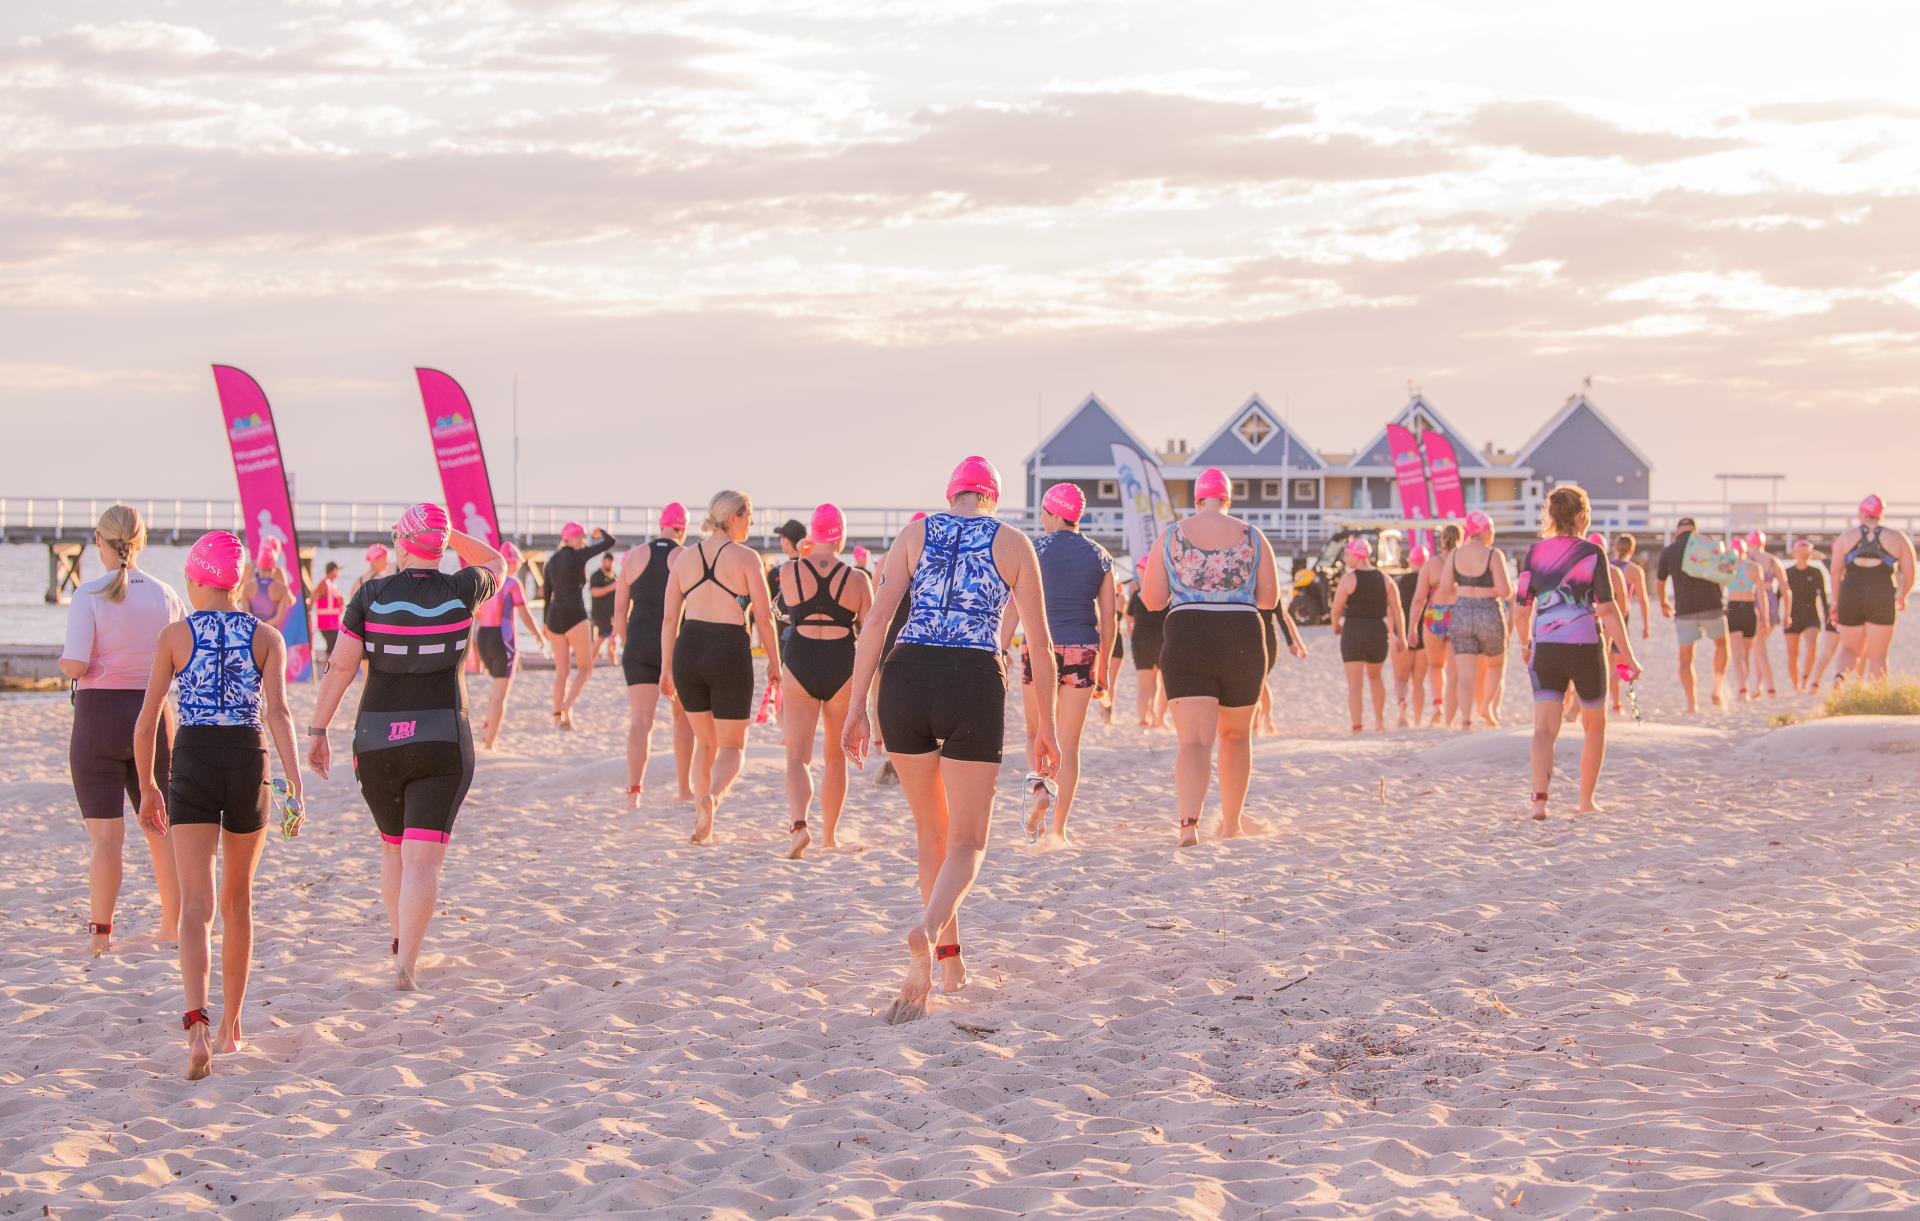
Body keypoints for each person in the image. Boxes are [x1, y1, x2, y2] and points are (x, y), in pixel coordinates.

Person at [841, 456, 1057, 1022]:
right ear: (993, 498)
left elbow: (877, 623)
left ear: (952, 493)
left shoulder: (915, 533)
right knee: (968, 842)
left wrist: (857, 707)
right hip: (973, 677)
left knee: (930, 832)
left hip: (906, 676)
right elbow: (1040, 646)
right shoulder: (1012, 543)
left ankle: (950, 959)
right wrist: (1048, 730)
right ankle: (931, 931)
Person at [305, 504, 503, 990]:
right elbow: (499, 562)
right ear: (437, 545)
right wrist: (453, 535)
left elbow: (342, 668)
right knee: (423, 860)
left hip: (377, 741)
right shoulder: (462, 589)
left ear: (402, 543)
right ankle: (406, 967)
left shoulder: (370, 595)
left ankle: (397, 940)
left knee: (393, 850)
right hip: (442, 737)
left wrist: (317, 730)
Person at [132, 530, 302, 1080]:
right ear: (239, 581)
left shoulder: (174, 637)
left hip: (195, 760)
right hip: (248, 758)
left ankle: (197, 1024)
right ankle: (232, 1025)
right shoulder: (267, 636)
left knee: (195, 906)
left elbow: (147, 719)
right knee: (238, 902)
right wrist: (293, 787)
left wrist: (148, 785)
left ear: (194, 578)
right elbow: (279, 714)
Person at [1139, 467, 1292, 848]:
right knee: (1236, 736)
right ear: (1228, 499)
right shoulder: (1253, 536)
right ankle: (1231, 824)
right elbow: (1269, 600)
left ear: (1197, 498)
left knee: (1193, 742)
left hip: (1187, 633)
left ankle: (1189, 825)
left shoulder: (1171, 535)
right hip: (1240, 634)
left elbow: (1153, 600)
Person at [60, 504, 184, 956]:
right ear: (141, 540)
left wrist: (70, 664)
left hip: (99, 717)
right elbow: (179, 658)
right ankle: (172, 925)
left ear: (98, 542)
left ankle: (101, 935)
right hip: (153, 718)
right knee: (161, 827)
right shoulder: (166, 593)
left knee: (107, 839)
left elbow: (75, 663)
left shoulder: (88, 594)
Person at [660, 491, 782, 845]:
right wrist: (776, 664)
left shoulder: (683, 559)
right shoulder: (746, 558)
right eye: (749, 517)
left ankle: (703, 818)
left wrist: (665, 669)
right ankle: (712, 796)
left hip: (689, 648)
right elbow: (763, 616)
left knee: (704, 744)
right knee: (732, 749)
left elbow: (670, 619)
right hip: (728, 648)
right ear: (733, 518)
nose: (751, 524)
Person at [1515, 487, 1640, 820]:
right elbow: (1609, 610)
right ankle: (1586, 801)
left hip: (1546, 648)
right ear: (1582, 517)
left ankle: (1539, 802)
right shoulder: (1592, 552)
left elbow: (1520, 608)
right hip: (1585, 646)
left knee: (1543, 729)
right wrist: (1628, 654)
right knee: (1594, 726)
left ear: (1551, 516)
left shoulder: (1534, 553)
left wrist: (1525, 644)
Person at [1000, 482, 1114, 845]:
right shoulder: (1100, 556)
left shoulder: (1034, 550)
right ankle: (1060, 830)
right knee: (1068, 741)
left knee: (1036, 734)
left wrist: (1000, 650)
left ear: (1052, 514)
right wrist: (1106, 670)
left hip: (1041, 648)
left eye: (1044, 515)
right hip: (1084, 648)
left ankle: (1040, 793)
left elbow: (1015, 607)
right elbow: (1109, 620)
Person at [777, 503, 873, 857]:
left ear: (811, 535)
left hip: (800, 660)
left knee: (797, 757)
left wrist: (804, 553)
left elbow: (782, 606)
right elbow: (870, 632)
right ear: (842, 536)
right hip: (840, 664)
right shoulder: (858, 579)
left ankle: (800, 825)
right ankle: (830, 837)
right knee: (835, 757)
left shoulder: (789, 572)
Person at [616, 503, 695, 808]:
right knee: (683, 719)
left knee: (640, 721)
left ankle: (634, 792)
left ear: (661, 525)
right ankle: (684, 789)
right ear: (683, 528)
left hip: (638, 642)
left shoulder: (634, 556)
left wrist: (626, 644)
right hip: (673, 643)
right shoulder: (685, 556)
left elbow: (620, 610)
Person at [1435, 511, 1512, 731]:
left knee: (1465, 674)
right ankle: (1486, 707)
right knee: (1496, 664)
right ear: (1485, 531)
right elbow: (1506, 591)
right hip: (1488, 610)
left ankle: (1465, 720)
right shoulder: (1493, 554)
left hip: (1461, 610)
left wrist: (1465, 589)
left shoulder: (1456, 554)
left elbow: (1445, 588)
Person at [1828, 495, 1914, 684]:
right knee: (1878, 655)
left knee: (1850, 648)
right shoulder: (1897, 538)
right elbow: (1910, 573)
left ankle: (1840, 677)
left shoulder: (1847, 537)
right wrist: (1903, 596)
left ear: (1861, 513)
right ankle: (1876, 696)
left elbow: (1835, 573)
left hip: (1850, 594)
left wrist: (1835, 601)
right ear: (1880, 514)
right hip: (1881, 595)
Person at [542, 522, 618, 729]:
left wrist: (544, 624)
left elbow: (547, 596)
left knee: (561, 672)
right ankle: (567, 705)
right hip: (575, 615)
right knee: (585, 668)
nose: (584, 541)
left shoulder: (551, 561)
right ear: (572, 538)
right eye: (582, 537)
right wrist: (599, 532)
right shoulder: (579, 555)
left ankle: (558, 716)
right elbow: (609, 542)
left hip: (554, 618)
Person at [475, 542, 546, 751]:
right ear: (513, 563)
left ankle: (488, 728)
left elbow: (476, 612)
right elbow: (524, 614)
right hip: (502, 639)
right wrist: (538, 634)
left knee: (495, 689)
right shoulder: (512, 583)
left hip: (483, 637)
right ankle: (489, 743)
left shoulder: (487, 581)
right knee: (500, 694)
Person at [1655, 516, 1729, 713]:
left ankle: (1692, 704)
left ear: (1677, 531)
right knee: (1722, 644)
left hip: (1685, 610)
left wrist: (1664, 603)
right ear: (1695, 530)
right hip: (1713, 606)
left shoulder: (1669, 551)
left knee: (1686, 658)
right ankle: (1717, 687)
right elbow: (1724, 573)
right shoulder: (1708, 545)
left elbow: (1660, 582)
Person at [1331, 537, 1404, 733]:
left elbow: (1336, 609)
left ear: (1357, 556)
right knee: (1376, 677)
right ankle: (1379, 723)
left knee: (1355, 684)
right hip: (1377, 632)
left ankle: (1357, 726)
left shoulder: (1349, 579)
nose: (1345, 559)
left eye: (1347, 555)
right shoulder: (1385, 579)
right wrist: (1402, 636)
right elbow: (1397, 609)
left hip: (1354, 631)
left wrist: (1335, 624)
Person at [1409, 525, 1459, 724]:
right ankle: (1450, 712)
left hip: (1434, 615)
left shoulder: (1431, 565)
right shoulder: (1462, 561)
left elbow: (1419, 598)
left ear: (1441, 541)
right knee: (1453, 670)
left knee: (1436, 665)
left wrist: (1412, 626)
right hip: (1457, 613)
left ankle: (1438, 705)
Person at [1604, 535, 1652, 713]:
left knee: (1609, 659)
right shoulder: (1634, 571)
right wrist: (1646, 626)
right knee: (1621, 662)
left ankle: (1616, 702)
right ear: (1632, 550)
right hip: (1622, 617)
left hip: (1604, 616)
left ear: (1615, 547)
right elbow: (1643, 600)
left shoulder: (1608, 568)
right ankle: (1621, 689)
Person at [1723, 536, 1771, 701]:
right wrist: (1765, 618)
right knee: (1746, 654)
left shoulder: (1727, 566)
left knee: (1737, 654)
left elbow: (1718, 589)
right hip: (1750, 609)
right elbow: (1761, 594)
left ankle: (1742, 689)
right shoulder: (1755, 568)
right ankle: (1744, 687)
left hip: (1734, 608)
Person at [1783, 538, 1831, 691]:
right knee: (1792, 653)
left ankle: (1805, 679)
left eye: (1806, 552)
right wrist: (1779, 616)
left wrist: (1827, 616)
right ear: (1794, 553)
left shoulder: (1816, 572)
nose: (1803, 555)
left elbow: (1823, 596)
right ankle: (1796, 685)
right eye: (1800, 551)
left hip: (1812, 616)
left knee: (1812, 647)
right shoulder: (1788, 572)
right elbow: (1780, 595)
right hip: (1792, 616)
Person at [1746, 532, 1789, 697]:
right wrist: (1788, 612)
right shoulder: (1773, 561)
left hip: (1754, 602)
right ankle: (1758, 686)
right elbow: (1786, 589)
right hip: (1772, 603)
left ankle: (1770, 687)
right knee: (1759, 647)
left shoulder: (1747, 561)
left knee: (1759, 648)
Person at [1391, 544, 1429, 727]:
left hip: (1403, 633)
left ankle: (1402, 708)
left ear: (1410, 562)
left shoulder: (1399, 581)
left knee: (1400, 679)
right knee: (1419, 682)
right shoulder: (1429, 583)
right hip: (1425, 635)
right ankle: (1419, 720)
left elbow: (1391, 610)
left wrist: (1394, 633)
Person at [1125, 578, 1167, 729]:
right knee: (1163, 685)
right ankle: (1159, 719)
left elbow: (1129, 618)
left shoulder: (1137, 595)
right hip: (1162, 641)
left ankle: (1143, 719)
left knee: (1144, 686)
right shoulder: (1167, 595)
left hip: (1141, 642)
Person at [241, 538, 294, 630]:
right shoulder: (278, 573)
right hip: (271, 628)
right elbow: (289, 601)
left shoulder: (247, 569)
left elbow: (237, 598)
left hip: (251, 628)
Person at [589, 551, 619, 664]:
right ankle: (589, 663)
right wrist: (611, 587)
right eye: (607, 562)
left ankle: (613, 662)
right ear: (603, 562)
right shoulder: (596, 576)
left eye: (611, 563)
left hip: (612, 614)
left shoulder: (614, 576)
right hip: (600, 613)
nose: (609, 565)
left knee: (612, 638)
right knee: (601, 638)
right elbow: (594, 592)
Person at [312, 562, 345, 663]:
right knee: (332, 646)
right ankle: (326, 667)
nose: (338, 573)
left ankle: (327, 666)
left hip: (333, 623)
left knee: (333, 646)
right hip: (327, 624)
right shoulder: (324, 584)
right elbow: (313, 597)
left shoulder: (332, 584)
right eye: (337, 570)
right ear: (334, 570)